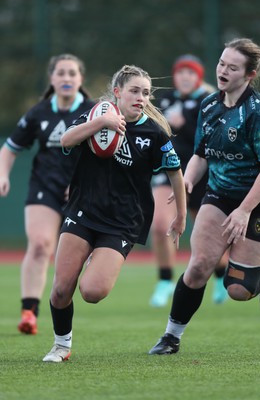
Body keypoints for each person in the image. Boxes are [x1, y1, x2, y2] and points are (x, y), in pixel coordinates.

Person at [42, 64, 187, 362]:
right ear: (118, 92)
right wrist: (102, 123)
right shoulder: (95, 115)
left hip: (122, 223)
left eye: (146, 93)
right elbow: (67, 140)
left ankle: (99, 255)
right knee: (60, 290)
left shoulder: (153, 133)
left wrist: (181, 216)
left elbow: (176, 173)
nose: (141, 97)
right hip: (83, 211)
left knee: (92, 292)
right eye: (134, 91)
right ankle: (61, 346)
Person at [149, 37, 260, 355]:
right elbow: (201, 155)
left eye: (232, 67)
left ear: (249, 74)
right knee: (200, 264)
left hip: (258, 203)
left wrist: (244, 211)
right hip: (218, 196)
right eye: (221, 63)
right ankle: (171, 337)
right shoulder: (209, 105)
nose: (223, 71)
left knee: (239, 290)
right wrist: (186, 182)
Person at [0, 54, 95, 335]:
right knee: (41, 244)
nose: (66, 78)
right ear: (52, 79)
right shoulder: (38, 113)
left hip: (82, 191)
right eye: (61, 73)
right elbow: (10, 148)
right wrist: (3, 174)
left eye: (72, 74)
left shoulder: (95, 111)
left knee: (78, 257)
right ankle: (29, 312)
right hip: (44, 186)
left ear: (81, 79)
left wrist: (84, 182)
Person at [150, 54, 228, 307]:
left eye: (190, 72)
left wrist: (185, 124)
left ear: (199, 76)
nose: (185, 77)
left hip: (199, 174)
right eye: (180, 72)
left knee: (208, 236)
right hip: (168, 171)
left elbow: (214, 138)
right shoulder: (166, 100)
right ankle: (164, 281)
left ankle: (219, 276)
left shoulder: (209, 102)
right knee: (161, 225)